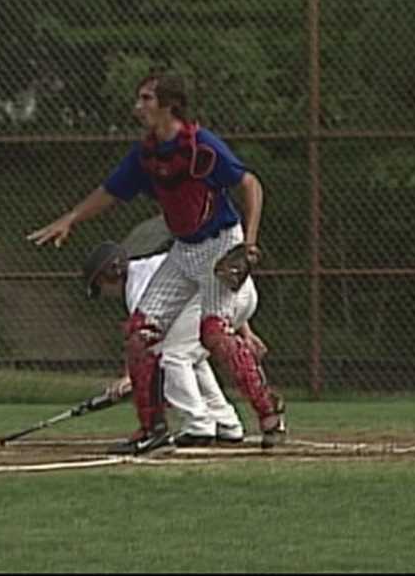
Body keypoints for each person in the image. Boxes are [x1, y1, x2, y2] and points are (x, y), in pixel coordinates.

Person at [27, 71, 286, 451]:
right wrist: (71, 219)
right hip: (184, 250)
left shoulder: (200, 146)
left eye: (146, 99)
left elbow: (249, 184)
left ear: (170, 105)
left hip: (219, 244)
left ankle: (269, 413)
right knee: (139, 333)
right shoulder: (146, 153)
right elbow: (111, 191)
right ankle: (153, 428)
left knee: (214, 335)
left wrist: (248, 243)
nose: (138, 107)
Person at [85, 239, 271, 451]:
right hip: (240, 290)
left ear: (111, 273)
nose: (104, 293)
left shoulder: (138, 287)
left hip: (222, 292)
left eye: (100, 285)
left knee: (173, 356)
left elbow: (146, 343)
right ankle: (225, 422)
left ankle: (198, 426)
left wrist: (130, 377)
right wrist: (244, 330)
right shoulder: (146, 269)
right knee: (190, 357)